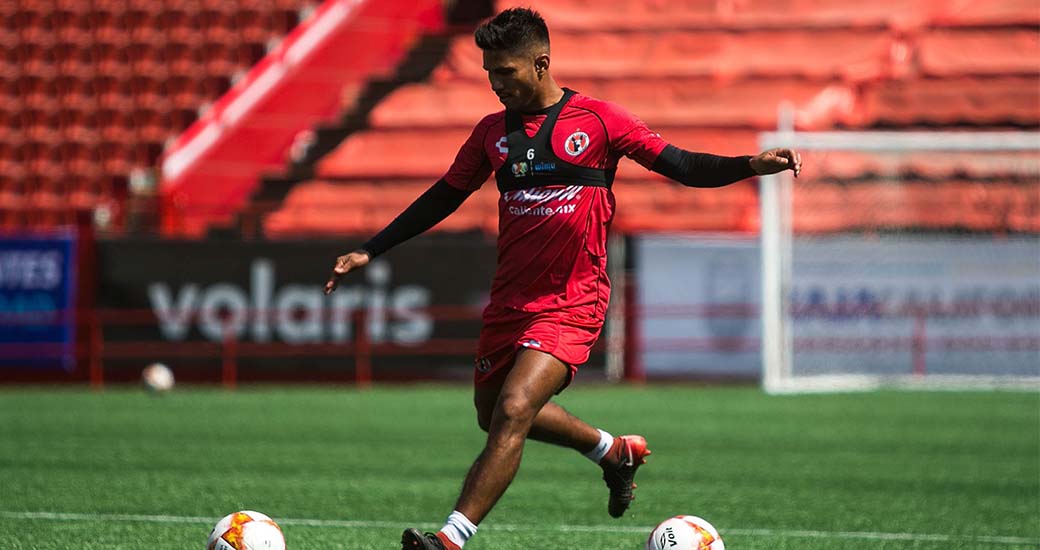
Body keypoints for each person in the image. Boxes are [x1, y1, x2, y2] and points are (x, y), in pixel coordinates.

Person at [323, 8, 802, 550]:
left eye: (505, 72)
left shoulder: (599, 121)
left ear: (541, 62)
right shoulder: (491, 134)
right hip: (511, 303)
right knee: (492, 415)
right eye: (489, 73)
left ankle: (450, 539)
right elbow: (444, 196)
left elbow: (682, 165)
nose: (496, 84)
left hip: (573, 302)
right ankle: (611, 450)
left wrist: (751, 164)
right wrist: (370, 249)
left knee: (513, 408)